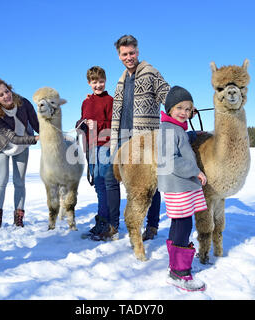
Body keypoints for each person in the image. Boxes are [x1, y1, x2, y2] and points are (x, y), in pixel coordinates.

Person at [101, 34, 170, 241]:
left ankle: (152, 226)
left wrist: (181, 104)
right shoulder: (121, 81)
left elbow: (167, 93)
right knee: (110, 178)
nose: (128, 57)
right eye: (124, 54)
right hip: (122, 138)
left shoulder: (150, 73)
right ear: (119, 55)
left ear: (137, 52)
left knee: (150, 183)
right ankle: (113, 224)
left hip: (144, 138)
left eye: (131, 53)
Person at [157, 85, 207, 292]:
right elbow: (171, 160)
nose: (184, 113)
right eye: (179, 108)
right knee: (184, 225)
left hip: (179, 185)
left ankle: (175, 266)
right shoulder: (169, 130)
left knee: (179, 223)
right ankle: (179, 273)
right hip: (178, 185)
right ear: (169, 109)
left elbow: (181, 144)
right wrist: (194, 171)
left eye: (188, 109)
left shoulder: (175, 128)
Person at [0, 77, 40, 232]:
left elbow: (36, 123)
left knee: (19, 181)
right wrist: (34, 139)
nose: (6, 96)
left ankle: (18, 220)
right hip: (2, 146)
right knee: (2, 179)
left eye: (6, 91)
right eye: (1, 95)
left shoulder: (23, 103)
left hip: (22, 146)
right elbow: (12, 138)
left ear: (10, 89)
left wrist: (48, 134)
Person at [76, 66, 114, 241]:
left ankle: (108, 222)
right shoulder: (86, 102)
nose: (98, 85)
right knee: (98, 185)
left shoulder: (109, 100)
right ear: (89, 83)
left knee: (105, 183)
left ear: (105, 81)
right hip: (91, 146)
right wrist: (83, 124)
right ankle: (102, 220)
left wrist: (95, 123)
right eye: (94, 82)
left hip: (105, 145)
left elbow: (112, 123)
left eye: (101, 81)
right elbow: (82, 121)